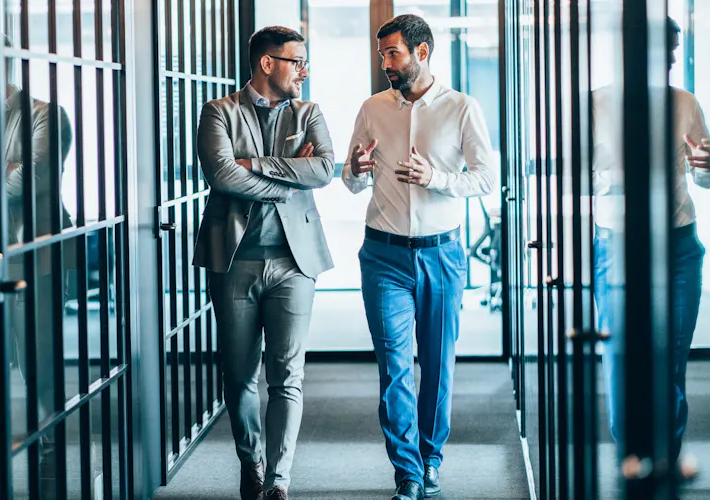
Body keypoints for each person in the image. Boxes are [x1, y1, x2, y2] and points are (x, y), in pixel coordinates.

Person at [342, 14, 496, 500]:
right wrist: (356, 170)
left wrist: (439, 179)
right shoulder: (371, 108)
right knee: (394, 366)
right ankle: (406, 470)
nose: (385, 62)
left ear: (422, 52)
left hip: (442, 254)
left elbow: (488, 180)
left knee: (436, 362)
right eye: (382, 53)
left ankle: (431, 457)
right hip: (383, 255)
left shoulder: (461, 108)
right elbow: (350, 179)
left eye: (393, 53)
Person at [193, 25, 335, 500]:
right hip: (235, 260)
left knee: (287, 375)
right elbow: (221, 174)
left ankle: (278, 479)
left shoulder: (308, 111)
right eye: (297, 61)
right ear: (268, 63)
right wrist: (288, 179)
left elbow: (324, 170)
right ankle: (250, 458)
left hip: (296, 263)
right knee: (238, 374)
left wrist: (254, 164)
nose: (305, 71)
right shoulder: (218, 112)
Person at [592, 16, 710, 471]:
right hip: (617, 246)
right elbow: (580, 176)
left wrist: (705, 165)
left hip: (679, 244)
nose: (670, 60)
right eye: (664, 50)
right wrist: (617, 177)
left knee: (671, 357)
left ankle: (666, 455)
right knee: (624, 354)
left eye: (674, 51)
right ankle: (632, 451)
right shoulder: (597, 105)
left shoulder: (685, 103)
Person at [0, 35, 79, 499]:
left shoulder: (46, 114)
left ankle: (50, 456)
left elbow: (29, 180)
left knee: (37, 361)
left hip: (36, 255)